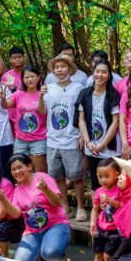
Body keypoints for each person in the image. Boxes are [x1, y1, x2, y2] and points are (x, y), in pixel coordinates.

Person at [0, 154, 70, 261]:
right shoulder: (17, 190)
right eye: (13, 169)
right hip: (33, 232)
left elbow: (57, 201)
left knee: (51, 253)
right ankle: (40, 255)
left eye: (19, 167)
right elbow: (15, 213)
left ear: (29, 166)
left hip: (56, 225)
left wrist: (45, 188)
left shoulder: (42, 178)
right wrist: (2, 198)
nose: (17, 171)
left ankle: (55, 258)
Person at [41, 55, 87, 221]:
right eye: (56, 67)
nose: (59, 69)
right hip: (52, 139)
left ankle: (81, 207)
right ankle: (65, 205)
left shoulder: (78, 88)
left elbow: (83, 113)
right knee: (57, 175)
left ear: (69, 69)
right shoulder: (49, 88)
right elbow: (42, 111)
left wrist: (83, 135)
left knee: (76, 175)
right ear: (53, 71)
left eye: (63, 66)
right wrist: (41, 95)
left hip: (72, 137)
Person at [76, 60, 121, 190]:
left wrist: (103, 144)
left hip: (109, 147)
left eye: (104, 72)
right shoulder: (84, 94)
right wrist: (87, 142)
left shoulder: (113, 95)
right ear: (93, 73)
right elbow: (82, 120)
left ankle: (112, 209)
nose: (100, 75)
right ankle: (97, 209)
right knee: (96, 182)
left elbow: (115, 122)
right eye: (97, 71)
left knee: (112, 181)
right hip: (91, 147)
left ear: (109, 75)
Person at [84, 157, 123, 261]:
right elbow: (95, 209)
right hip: (102, 227)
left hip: (114, 229)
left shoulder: (120, 189)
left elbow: (124, 207)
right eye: (100, 177)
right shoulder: (99, 191)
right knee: (98, 254)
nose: (103, 180)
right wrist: (93, 223)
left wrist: (110, 201)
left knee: (108, 256)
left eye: (107, 176)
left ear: (116, 175)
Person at [4, 65, 48, 174]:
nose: (30, 79)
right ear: (22, 79)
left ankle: (41, 191)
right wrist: (2, 97)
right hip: (20, 140)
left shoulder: (44, 94)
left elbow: (44, 112)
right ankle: (22, 191)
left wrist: (41, 96)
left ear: (38, 77)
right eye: (26, 77)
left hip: (39, 139)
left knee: (40, 172)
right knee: (20, 172)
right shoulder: (18, 94)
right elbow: (6, 105)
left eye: (32, 76)